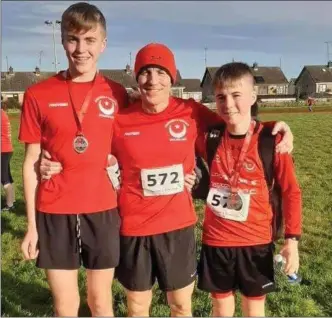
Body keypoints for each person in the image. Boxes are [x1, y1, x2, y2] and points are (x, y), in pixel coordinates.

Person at [40, 43, 294, 317]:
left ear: (172, 78)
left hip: (178, 228)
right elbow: (86, 147)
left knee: (181, 306)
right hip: (133, 228)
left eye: (161, 73)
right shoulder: (119, 119)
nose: (153, 80)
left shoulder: (190, 111)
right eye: (145, 72)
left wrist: (274, 129)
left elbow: (236, 124)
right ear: (137, 78)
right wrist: (53, 161)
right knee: (137, 307)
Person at [18, 2, 128, 316]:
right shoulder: (37, 94)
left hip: (103, 210)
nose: (80, 49)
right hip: (54, 212)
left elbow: (149, 131)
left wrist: (273, 127)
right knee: (66, 305)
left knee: (100, 301)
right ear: (63, 39)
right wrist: (31, 226)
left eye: (89, 40)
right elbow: (30, 163)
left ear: (103, 44)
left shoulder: (118, 93)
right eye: (72, 39)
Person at [196, 62, 302, 317]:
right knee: (221, 309)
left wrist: (292, 241)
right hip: (217, 240)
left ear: (253, 97)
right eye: (221, 97)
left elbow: (291, 192)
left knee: (254, 309)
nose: (228, 104)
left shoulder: (271, 141)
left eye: (236, 95)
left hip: (256, 240)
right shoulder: (207, 138)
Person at [1, 99, 15, 212]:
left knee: (3, 177)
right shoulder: (3, 113)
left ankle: (9, 205)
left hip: (2, 150)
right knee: (7, 176)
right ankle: (12, 201)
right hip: (7, 149)